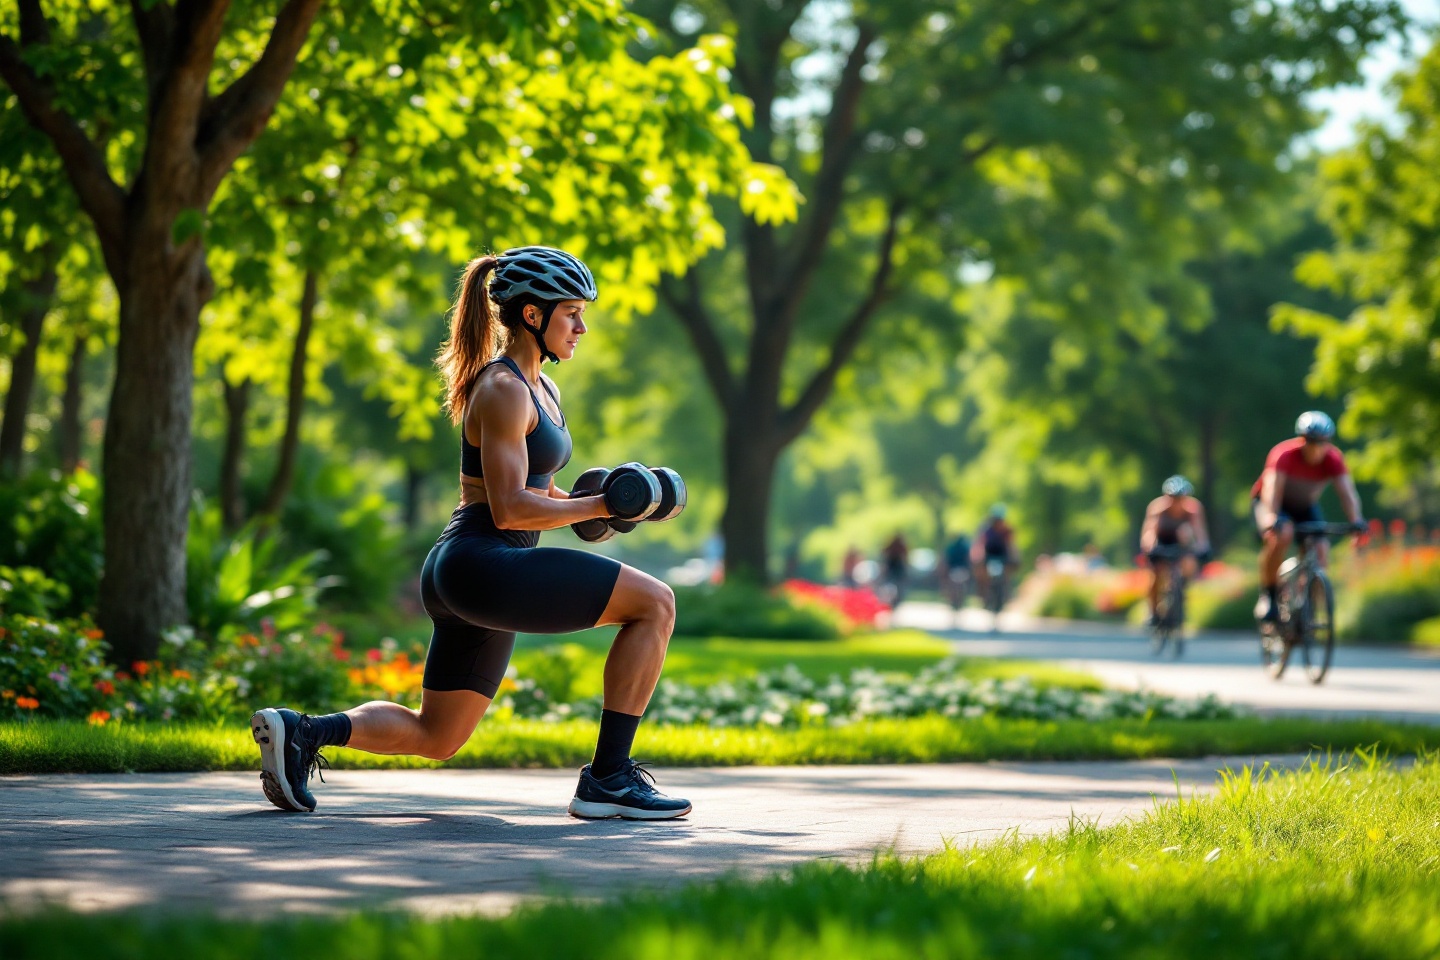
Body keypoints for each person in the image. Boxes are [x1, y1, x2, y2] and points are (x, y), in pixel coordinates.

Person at [249, 247, 690, 820]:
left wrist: (597, 508)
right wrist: (601, 501)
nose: (581, 327)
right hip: (484, 560)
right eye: (572, 313)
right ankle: (608, 778)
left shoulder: (541, 389)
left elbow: (540, 492)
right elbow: (509, 509)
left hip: (471, 569)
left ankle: (302, 733)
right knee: (656, 603)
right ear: (532, 315)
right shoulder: (504, 388)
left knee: (438, 735)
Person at [1251, 411, 1366, 622]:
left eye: (1322, 442)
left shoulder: (1333, 459)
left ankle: (1307, 603)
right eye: (1311, 442)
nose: (1316, 448)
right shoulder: (1283, 454)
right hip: (1273, 505)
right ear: (1301, 439)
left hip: (1304, 507)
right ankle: (1269, 594)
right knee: (1281, 535)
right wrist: (1271, 517)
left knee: (1321, 549)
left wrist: (1356, 521)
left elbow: (1347, 493)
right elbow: (1272, 489)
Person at [1139, 475, 1211, 625]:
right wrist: (1149, 546)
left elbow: (1199, 532)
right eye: (1172, 498)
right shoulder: (1157, 508)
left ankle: (1180, 593)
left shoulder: (1193, 509)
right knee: (1155, 575)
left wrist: (1203, 547)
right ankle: (1153, 612)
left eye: (1180, 498)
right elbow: (1150, 531)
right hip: (1161, 541)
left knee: (1189, 561)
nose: (1176, 502)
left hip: (1181, 542)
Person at [971, 504, 1017, 602]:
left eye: (1000, 519)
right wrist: (979, 555)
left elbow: (1011, 545)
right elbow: (981, 543)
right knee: (981, 572)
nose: (998, 522)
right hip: (989, 555)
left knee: (1007, 572)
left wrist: (1014, 556)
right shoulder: (986, 530)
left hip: (1002, 555)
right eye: (996, 519)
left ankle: (1007, 592)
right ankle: (983, 593)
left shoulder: (1007, 530)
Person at [941, 531, 972, 611]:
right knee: (960, 586)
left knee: (952, 586)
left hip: (954, 570)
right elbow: (968, 560)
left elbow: (946, 560)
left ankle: (954, 600)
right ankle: (958, 601)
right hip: (961, 570)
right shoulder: (965, 547)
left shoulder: (951, 547)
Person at [880, 533, 910, 607]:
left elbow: (906, 555)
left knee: (898, 585)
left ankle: (895, 599)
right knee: (890, 584)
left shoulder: (900, 546)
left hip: (898, 567)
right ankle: (890, 599)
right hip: (892, 567)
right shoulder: (892, 545)